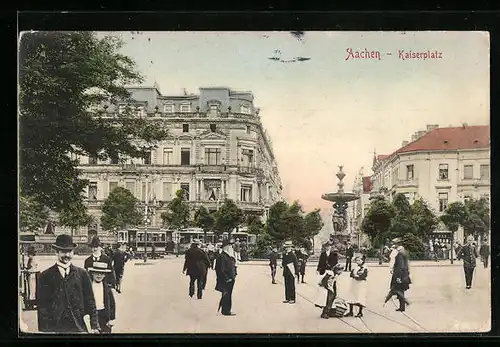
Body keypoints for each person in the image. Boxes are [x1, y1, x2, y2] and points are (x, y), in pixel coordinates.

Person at [37, 234, 99, 333]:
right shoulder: (45, 276)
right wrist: (46, 330)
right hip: (55, 329)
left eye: (69, 251)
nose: (67, 255)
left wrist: (94, 325)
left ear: (73, 252)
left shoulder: (82, 274)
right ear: (56, 252)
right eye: (63, 252)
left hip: (78, 327)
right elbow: (42, 306)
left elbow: (90, 301)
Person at [87, 261, 116, 334]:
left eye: (102, 273)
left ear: (105, 275)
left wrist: (111, 319)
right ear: (92, 273)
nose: (99, 275)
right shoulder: (88, 286)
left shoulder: (107, 288)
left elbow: (112, 304)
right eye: (97, 273)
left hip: (104, 314)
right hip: (91, 314)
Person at [384, 238, 411, 312]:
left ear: (398, 244)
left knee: (397, 289)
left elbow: (400, 266)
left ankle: (404, 303)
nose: (393, 245)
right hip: (403, 273)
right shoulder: (403, 251)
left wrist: (398, 277)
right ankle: (402, 306)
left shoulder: (400, 253)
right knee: (399, 289)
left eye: (394, 244)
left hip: (399, 274)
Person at [215, 239, 237, 316]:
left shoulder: (228, 256)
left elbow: (233, 266)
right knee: (226, 295)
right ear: (226, 247)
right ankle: (226, 311)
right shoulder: (222, 256)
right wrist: (227, 278)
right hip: (226, 280)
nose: (231, 247)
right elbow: (221, 269)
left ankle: (226, 310)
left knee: (228, 294)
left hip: (230, 279)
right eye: (230, 245)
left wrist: (234, 274)